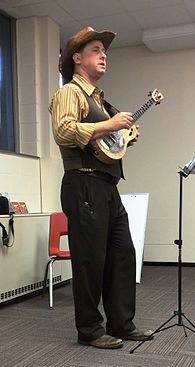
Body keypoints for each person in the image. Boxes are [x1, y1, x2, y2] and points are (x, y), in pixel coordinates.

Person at [49, 27, 154, 349]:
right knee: (90, 260)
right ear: (78, 59)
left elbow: (105, 143)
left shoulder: (101, 101)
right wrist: (110, 125)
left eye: (104, 50)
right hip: (83, 184)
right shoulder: (69, 92)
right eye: (96, 50)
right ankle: (90, 331)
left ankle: (122, 324)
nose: (104, 54)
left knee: (123, 254)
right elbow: (64, 132)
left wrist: (124, 136)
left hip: (107, 187)